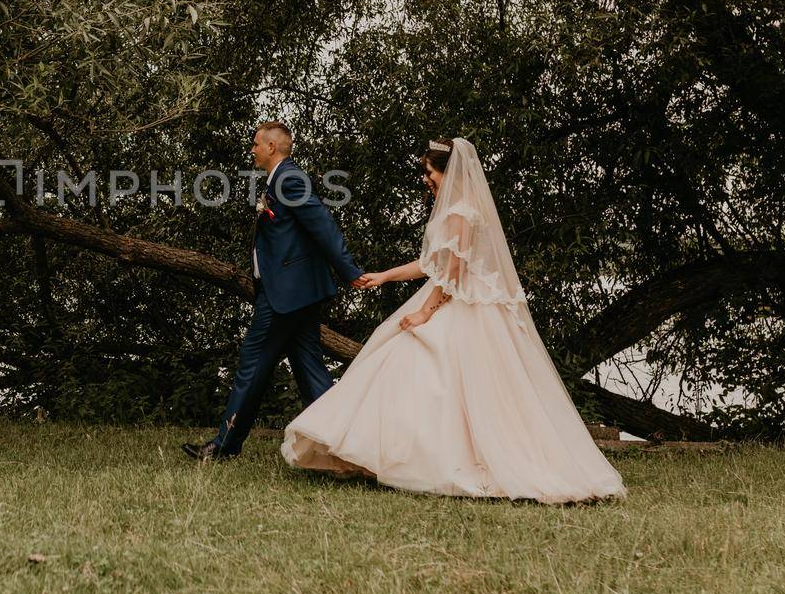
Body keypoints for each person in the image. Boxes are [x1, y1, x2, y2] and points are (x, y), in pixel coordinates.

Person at [281, 137, 626, 504]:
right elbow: (431, 265)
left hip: (464, 305)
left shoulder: (461, 211)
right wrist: (383, 276)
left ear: (447, 171)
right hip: (454, 294)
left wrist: (426, 312)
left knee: (430, 365)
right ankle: (384, 455)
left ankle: (438, 459)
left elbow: (454, 273)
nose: (425, 179)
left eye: (428, 172)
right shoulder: (455, 209)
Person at [183, 121, 366, 463]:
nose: (251, 150)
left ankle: (224, 445)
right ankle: (347, 442)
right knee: (310, 369)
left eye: (255, 144)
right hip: (297, 294)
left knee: (251, 366)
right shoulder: (278, 179)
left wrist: (351, 272)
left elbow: (322, 224)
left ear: (271, 147)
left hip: (285, 296)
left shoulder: (288, 178)